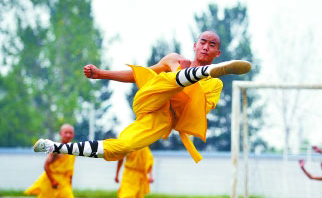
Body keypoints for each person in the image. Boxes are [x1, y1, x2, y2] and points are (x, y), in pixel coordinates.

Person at [33, 31, 251, 162]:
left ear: (218, 54)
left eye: (212, 45)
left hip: (163, 119)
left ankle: (54, 146)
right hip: (150, 98)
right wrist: (101, 74)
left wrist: (185, 80)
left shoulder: (215, 84)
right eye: (203, 42)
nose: (206, 47)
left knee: (122, 147)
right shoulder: (174, 59)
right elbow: (138, 75)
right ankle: (189, 75)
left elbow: (195, 111)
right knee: (167, 81)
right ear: (195, 45)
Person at [17, 124, 77, 198]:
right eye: (66, 132)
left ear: (73, 135)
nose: (68, 135)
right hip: (51, 183)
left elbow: (70, 170)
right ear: (60, 134)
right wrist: (53, 181)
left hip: (64, 184)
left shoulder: (73, 150)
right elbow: (46, 166)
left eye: (70, 133)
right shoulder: (56, 149)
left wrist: (70, 183)